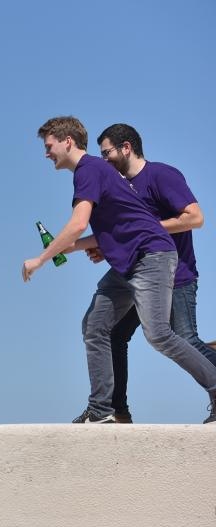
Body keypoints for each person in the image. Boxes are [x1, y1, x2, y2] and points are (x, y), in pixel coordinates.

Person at [23, 116, 216, 424]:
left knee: (162, 336)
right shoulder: (102, 172)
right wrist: (72, 248)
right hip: (127, 263)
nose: (46, 154)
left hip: (153, 259)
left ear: (67, 141)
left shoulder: (91, 170)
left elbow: (77, 223)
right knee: (96, 326)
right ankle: (103, 410)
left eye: (49, 146)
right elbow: (110, 229)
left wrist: (41, 258)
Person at [84, 124, 216, 423]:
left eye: (107, 153)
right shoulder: (120, 187)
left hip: (175, 275)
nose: (103, 160)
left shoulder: (161, 175)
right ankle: (116, 410)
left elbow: (195, 218)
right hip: (135, 276)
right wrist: (107, 247)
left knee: (184, 339)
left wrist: (145, 229)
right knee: (113, 333)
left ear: (126, 148)